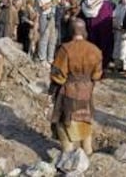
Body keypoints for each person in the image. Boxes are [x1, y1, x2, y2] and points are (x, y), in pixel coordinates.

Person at [49, 18, 102, 156]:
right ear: (84, 31)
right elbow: (97, 75)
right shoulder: (95, 50)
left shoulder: (65, 49)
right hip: (87, 91)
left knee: (63, 120)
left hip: (68, 91)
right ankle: (88, 151)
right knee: (85, 118)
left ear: (70, 30)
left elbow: (58, 75)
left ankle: (68, 152)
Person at [80, 0, 114, 70]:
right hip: (104, 34)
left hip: (90, 33)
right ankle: (101, 69)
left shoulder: (84, 4)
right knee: (103, 51)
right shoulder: (106, 5)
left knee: (90, 50)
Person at [35, 0, 57, 68]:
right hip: (44, 16)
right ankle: (42, 59)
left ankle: (50, 59)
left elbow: (56, 0)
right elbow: (44, 7)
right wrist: (52, 2)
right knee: (44, 37)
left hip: (51, 16)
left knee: (52, 38)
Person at [112, 0, 126, 71]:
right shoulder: (118, 6)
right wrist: (115, 25)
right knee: (117, 47)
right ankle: (117, 65)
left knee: (124, 48)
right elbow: (114, 16)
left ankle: (125, 67)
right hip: (117, 29)